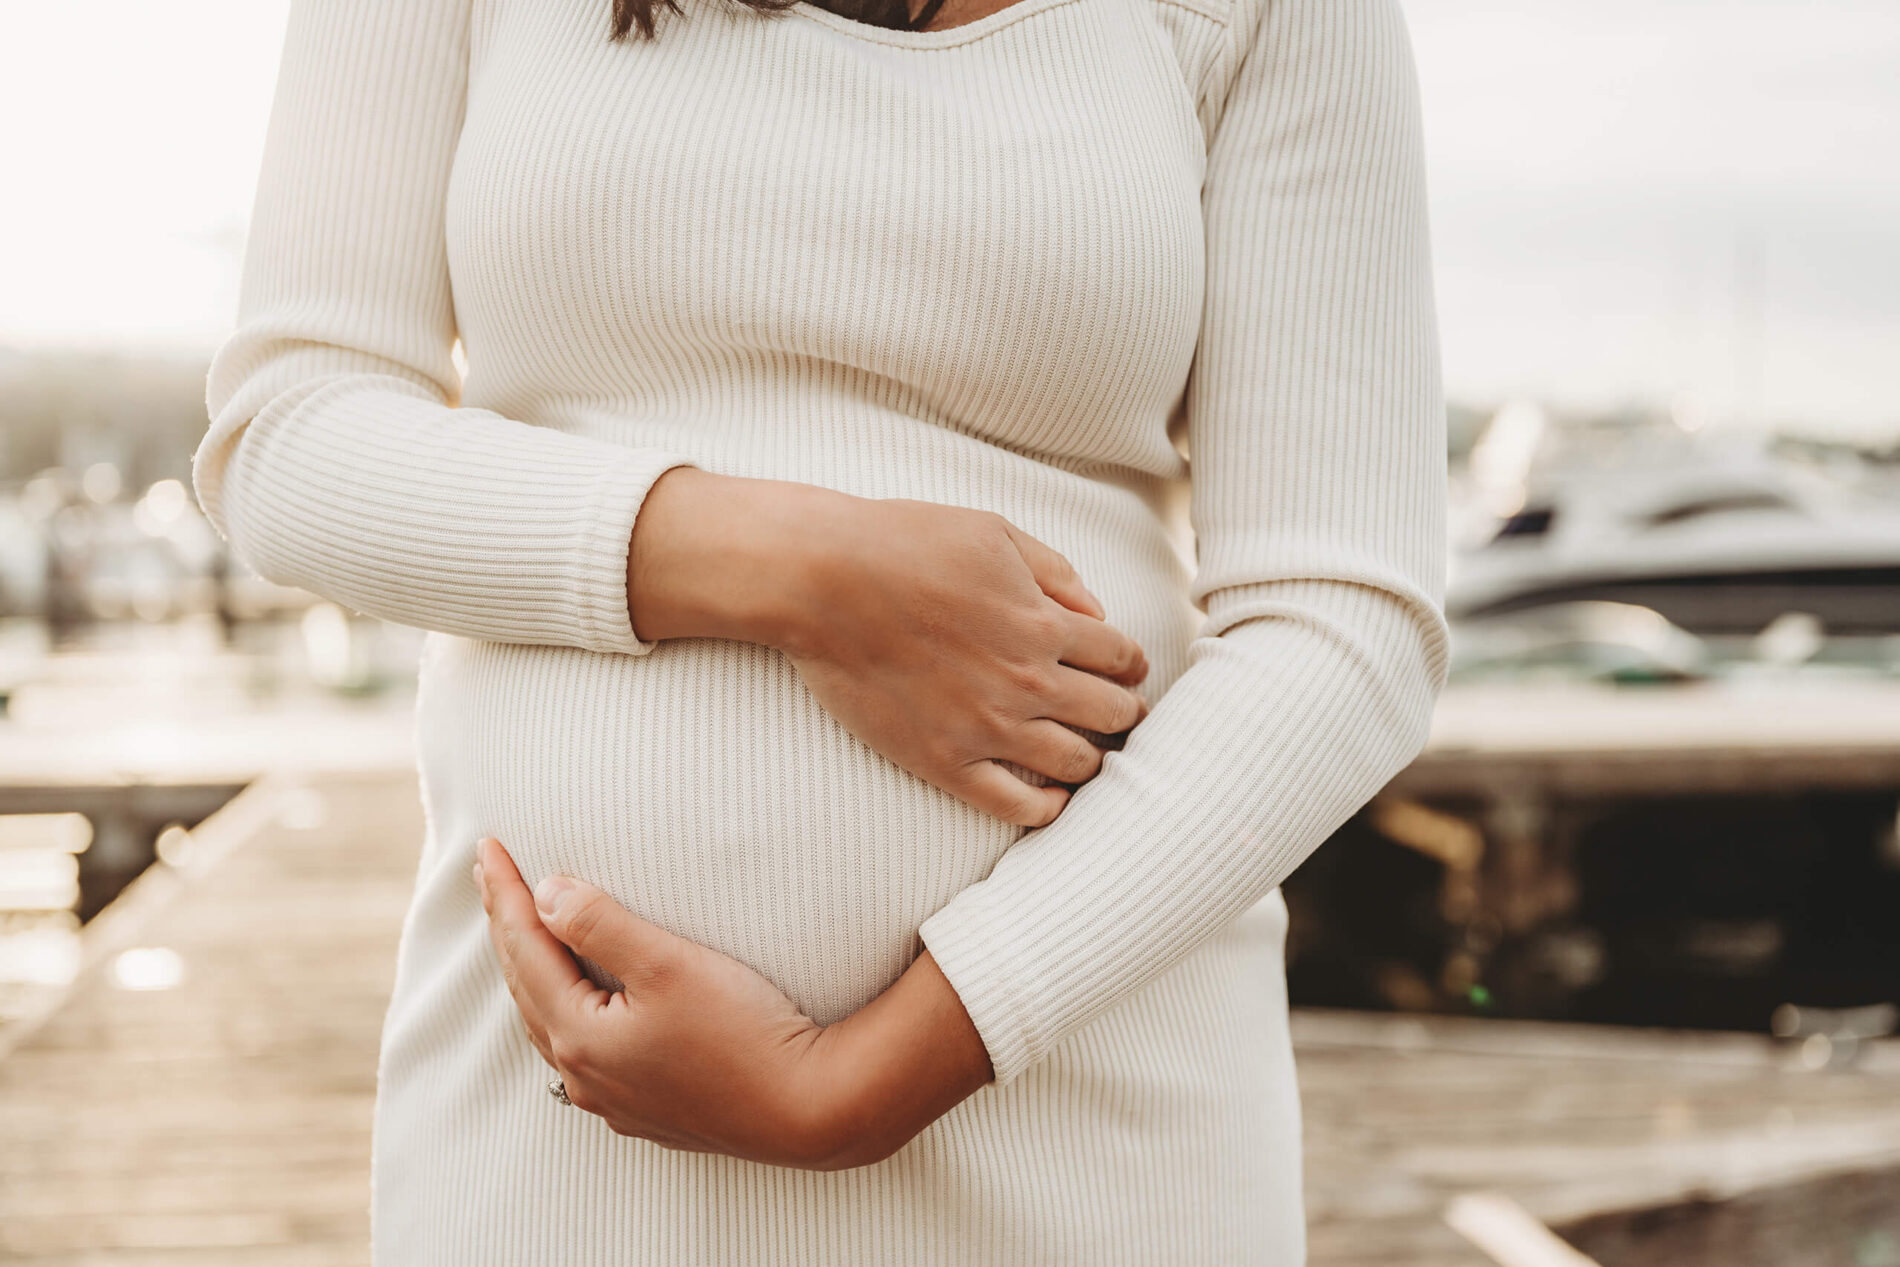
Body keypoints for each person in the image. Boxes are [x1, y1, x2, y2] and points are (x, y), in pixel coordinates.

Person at [192, 0, 1449, 1258]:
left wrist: (873, 1074)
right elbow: (292, 438)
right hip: (561, 1144)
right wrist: (808, 572)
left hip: (1094, 1132)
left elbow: (1342, 617)